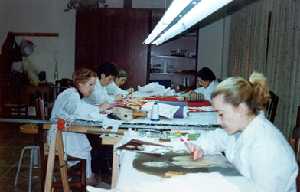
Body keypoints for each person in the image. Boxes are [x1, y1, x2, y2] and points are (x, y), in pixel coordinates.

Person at [186, 72, 298, 192]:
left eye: (221, 114)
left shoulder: (266, 146)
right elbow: (218, 137)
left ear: (241, 108)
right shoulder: (242, 128)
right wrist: (199, 146)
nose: (218, 121)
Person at [48, 68, 101, 185]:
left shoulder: (72, 93)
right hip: (59, 135)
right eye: (90, 84)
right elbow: (78, 112)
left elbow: (77, 111)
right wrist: (99, 110)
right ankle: (86, 177)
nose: (92, 88)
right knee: (85, 147)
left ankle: (83, 175)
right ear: (80, 84)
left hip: (63, 132)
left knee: (85, 143)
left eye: (94, 85)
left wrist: (96, 110)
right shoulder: (72, 95)